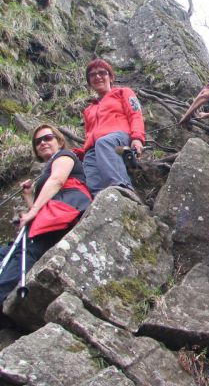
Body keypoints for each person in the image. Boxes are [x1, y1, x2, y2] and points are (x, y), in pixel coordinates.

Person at [0, 124, 92, 306]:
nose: (42, 143)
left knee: (24, 253)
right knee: (8, 253)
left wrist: (32, 211)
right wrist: (29, 197)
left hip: (64, 212)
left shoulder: (65, 156)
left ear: (59, 141)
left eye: (47, 138)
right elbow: (43, 209)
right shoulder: (48, 169)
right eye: (37, 142)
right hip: (54, 216)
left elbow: (58, 181)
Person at [79, 58, 145, 195]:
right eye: (92, 75)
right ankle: (101, 202)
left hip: (119, 142)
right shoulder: (89, 109)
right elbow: (88, 133)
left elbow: (135, 114)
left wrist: (137, 138)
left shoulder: (123, 93)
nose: (97, 76)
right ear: (89, 82)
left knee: (104, 143)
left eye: (102, 73)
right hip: (94, 147)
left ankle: (123, 188)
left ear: (111, 77)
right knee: (90, 164)